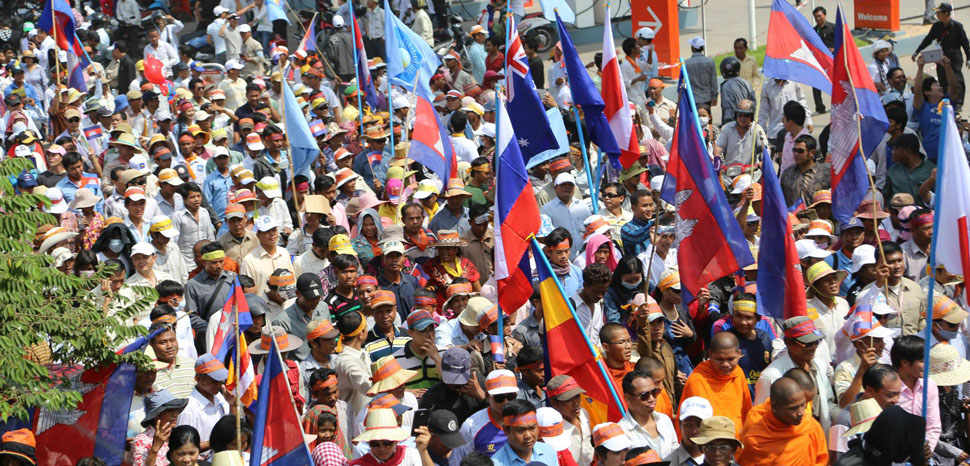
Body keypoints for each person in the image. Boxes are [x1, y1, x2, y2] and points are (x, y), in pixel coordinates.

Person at [755, 317, 834, 432]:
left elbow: (828, 403)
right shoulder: (771, 377)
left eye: (816, 342)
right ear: (789, 343)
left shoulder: (819, 366)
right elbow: (761, 417)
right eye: (807, 344)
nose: (813, 347)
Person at [736, 377, 828, 465]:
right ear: (775, 407)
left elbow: (821, 458)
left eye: (803, 405)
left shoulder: (810, 425)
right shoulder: (755, 440)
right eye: (793, 408)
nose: (801, 413)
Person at [680, 332, 751, 436]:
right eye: (720, 359)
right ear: (710, 354)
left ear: (739, 354)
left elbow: (745, 411)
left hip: (737, 444)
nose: (726, 364)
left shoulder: (737, 372)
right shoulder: (697, 381)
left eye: (731, 359)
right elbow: (690, 423)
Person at [913, 3, 970, 111]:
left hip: (954, 57)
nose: (937, 14)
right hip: (941, 56)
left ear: (946, 13)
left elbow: (965, 43)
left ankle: (958, 104)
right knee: (943, 79)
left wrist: (969, 58)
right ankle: (945, 101)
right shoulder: (937, 26)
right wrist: (917, 51)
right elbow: (928, 39)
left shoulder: (957, 27)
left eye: (939, 12)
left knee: (957, 80)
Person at [892, 335, 941, 451]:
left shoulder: (929, 386)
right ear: (904, 362)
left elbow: (933, 427)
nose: (928, 364)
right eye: (922, 361)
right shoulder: (888, 388)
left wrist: (923, 453)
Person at [617, 370, 678, 458]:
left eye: (654, 392)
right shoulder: (622, 432)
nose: (651, 399)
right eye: (644, 395)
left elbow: (675, 454)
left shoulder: (664, 420)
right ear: (628, 398)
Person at [350, 408, 434, 466]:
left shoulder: (411, 455)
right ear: (368, 443)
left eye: (387, 443)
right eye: (375, 444)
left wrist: (423, 451)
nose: (382, 449)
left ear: (396, 441)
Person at [491, 400, 558, 466]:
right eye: (520, 430)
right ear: (506, 430)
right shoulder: (495, 463)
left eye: (532, 428)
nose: (528, 436)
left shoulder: (549, 451)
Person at [664, 397, 714, 466]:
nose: (694, 431)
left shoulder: (723, 457)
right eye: (688, 425)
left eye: (700, 425)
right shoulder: (669, 463)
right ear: (679, 425)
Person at [811, 7, 835, 113]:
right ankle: (820, 107)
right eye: (816, 16)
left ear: (825, 15)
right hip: (819, 62)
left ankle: (837, 104)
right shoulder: (813, 31)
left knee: (835, 84)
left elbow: (842, 42)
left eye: (819, 16)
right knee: (816, 83)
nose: (818, 18)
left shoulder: (833, 28)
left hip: (832, 61)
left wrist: (833, 49)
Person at [683, 37, 717, 111]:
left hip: (692, 98)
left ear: (692, 48)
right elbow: (713, 81)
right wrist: (714, 96)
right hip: (706, 98)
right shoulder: (710, 62)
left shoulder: (686, 63)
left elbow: (684, 83)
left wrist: (684, 94)